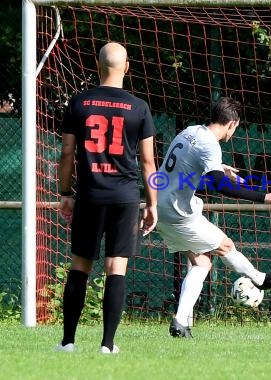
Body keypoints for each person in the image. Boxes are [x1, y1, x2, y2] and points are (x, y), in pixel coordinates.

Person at [156, 97, 271, 338]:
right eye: (236, 127)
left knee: (202, 263)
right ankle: (259, 278)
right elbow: (221, 187)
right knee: (225, 245)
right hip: (178, 211)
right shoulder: (211, 144)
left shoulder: (191, 131)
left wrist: (220, 167)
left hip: (159, 205)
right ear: (231, 123)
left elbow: (187, 166)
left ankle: (180, 323)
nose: (234, 132)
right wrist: (264, 197)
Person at [55, 42, 158, 354]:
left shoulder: (79, 102)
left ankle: (68, 342)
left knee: (80, 265)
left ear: (97, 66)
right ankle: (107, 345)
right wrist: (152, 203)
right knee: (116, 267)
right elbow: (148, 162)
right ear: (126, 68)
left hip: (89, 195)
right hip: (125, 198)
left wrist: (64, 193)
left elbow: (67, 153)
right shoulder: (139, 107)